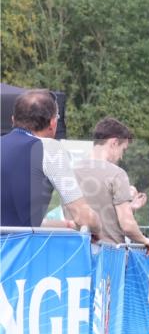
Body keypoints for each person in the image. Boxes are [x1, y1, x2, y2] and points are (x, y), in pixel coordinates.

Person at [0, 89, 99, 233]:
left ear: (13, 120)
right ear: (53, 123)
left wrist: (67, 225)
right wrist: (98, 229)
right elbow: (83, 217)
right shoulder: (49, 148)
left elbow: (15, 220)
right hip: (18, 246)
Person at [73, 117, 149, 252]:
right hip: (109, 254)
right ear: (114, 143)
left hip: (76, 251)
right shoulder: (117, 174)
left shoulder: (71, 171)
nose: (121, 156)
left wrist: (131, 208)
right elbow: (127, 225)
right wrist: (145, 240)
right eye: (123, 149)